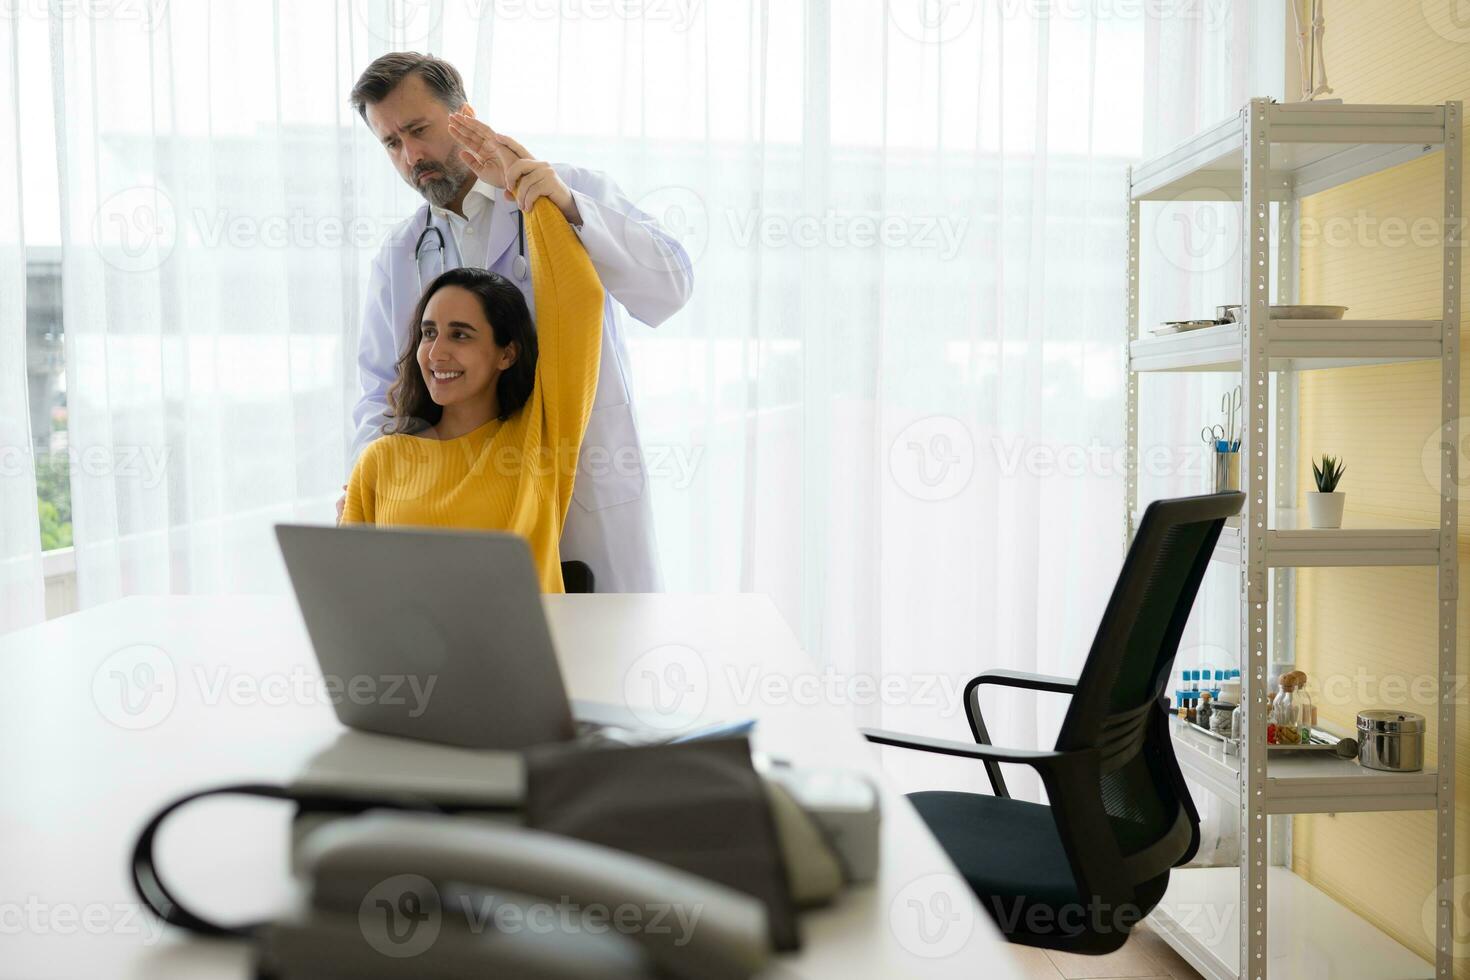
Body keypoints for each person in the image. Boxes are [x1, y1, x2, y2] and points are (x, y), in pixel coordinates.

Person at [345, 52, 691, 592]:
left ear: (465, 116)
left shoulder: (565, 190)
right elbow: (379, 391)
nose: (412, 155)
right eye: (392, 143)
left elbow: (671, 285)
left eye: (419, 130)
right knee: (494, 663)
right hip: (472, 508)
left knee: (600, 661)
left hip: (583, 492)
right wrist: (375, 488)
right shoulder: (400, 253)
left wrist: (569, 208)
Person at [340, 165, 604, 595]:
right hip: (409, 661)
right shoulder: (381, 460)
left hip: (519, 658)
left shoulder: (536, 440)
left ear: (507, 352)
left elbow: (581, 302)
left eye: (460, 334)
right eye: (429, 333)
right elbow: (347, 595)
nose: (436, 352)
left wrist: (526, 189)